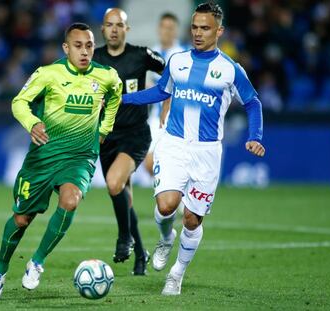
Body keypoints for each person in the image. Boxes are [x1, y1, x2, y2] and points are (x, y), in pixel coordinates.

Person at [122, 2, 265, 295]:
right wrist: (123, 99)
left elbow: (252, 102)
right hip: (173, 143)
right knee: (166, 206)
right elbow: (161, 91)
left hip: (206, 152)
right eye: (195, 27)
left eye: (205, 28)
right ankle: (165, 238)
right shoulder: (177, 61)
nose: (198, 33)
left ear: (219, 31)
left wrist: (256, 136)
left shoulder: (230, 69)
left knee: (191, 218)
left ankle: (177, 273)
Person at [0, 22, 122, 300]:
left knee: (70, 200)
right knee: (22, 219)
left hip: (80, 157)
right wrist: (33, 123)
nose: (84, 52)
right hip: (43, 158)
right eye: (78, 46)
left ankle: (36, 261)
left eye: (89, 46)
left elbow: (116, 96)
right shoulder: (48, 74)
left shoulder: (107, 76)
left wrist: (104, 130)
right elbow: (19, 102)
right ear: (65, 47)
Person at [93, 8, 165, 275]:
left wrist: (166, 101)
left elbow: (171, 73)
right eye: (109, 25)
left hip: (135, 135)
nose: (114, 29)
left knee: (113, 183)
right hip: (106, 137)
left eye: (119, 25)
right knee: (125, 198)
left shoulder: (141, 55)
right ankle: (140, 256)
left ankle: (125, 238)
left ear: (127, 29)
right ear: (102, 29)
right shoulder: (95, 59)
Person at [145, 13, 187, 176]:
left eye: (170, 28)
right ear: (158, 29)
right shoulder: (151, 53)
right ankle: (168, 199)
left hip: (176, 117)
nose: (166, 31)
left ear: (176, 30)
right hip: (156, 116)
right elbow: (147, 83)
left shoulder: (183, 54)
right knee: (149, 163)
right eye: (163, 27)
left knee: (171, 164)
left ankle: (174, 199)